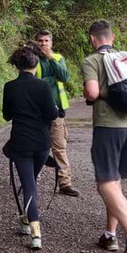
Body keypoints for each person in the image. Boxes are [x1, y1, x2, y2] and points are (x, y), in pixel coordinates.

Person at [82, 19, 127, 253]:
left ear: (92, 39)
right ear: (112, 38)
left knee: (105, 183)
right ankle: (109, 235)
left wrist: (100, 93)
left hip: (108, 127)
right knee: (115, 181)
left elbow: (91, 93)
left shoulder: (92, 60)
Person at [2, 44, 60, 250]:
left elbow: (6, 115)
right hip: (42, 144)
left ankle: (34, 230)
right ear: (36, 64)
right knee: (31, 183)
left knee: (29, 185)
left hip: (20, 143)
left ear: (17, 65)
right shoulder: (43, 86)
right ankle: (29, 223)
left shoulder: (10, 87)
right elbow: (52, 114)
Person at [33, 30, 79, 197]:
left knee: (60, 149)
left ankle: (65, 183)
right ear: (36, 42)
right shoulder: (32, 60)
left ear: (51, 43)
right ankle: (33, 181)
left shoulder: (58, 58)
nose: (43, 44)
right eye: (40, 41)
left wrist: (51, 58)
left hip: (57, 112)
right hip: (37, 114)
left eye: (46, 41)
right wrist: (52, 79)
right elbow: (33, 83)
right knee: (37, 148)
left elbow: (65, 76)